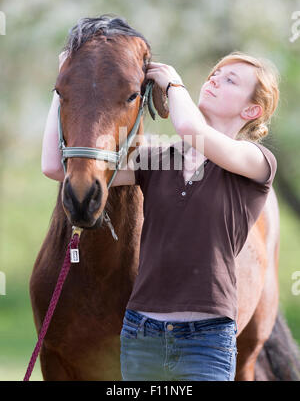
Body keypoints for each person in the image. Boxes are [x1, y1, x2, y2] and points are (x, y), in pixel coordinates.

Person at [42, 50, 279, 381]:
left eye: (230, 80)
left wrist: (173, 84)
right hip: (142, 332)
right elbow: (55, 167)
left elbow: (187, 126)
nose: (214, 79)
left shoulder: (256, 161)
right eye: (215, 73)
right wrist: (63, 86)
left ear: (251, 110)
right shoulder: (158, 160)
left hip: (207, 338)